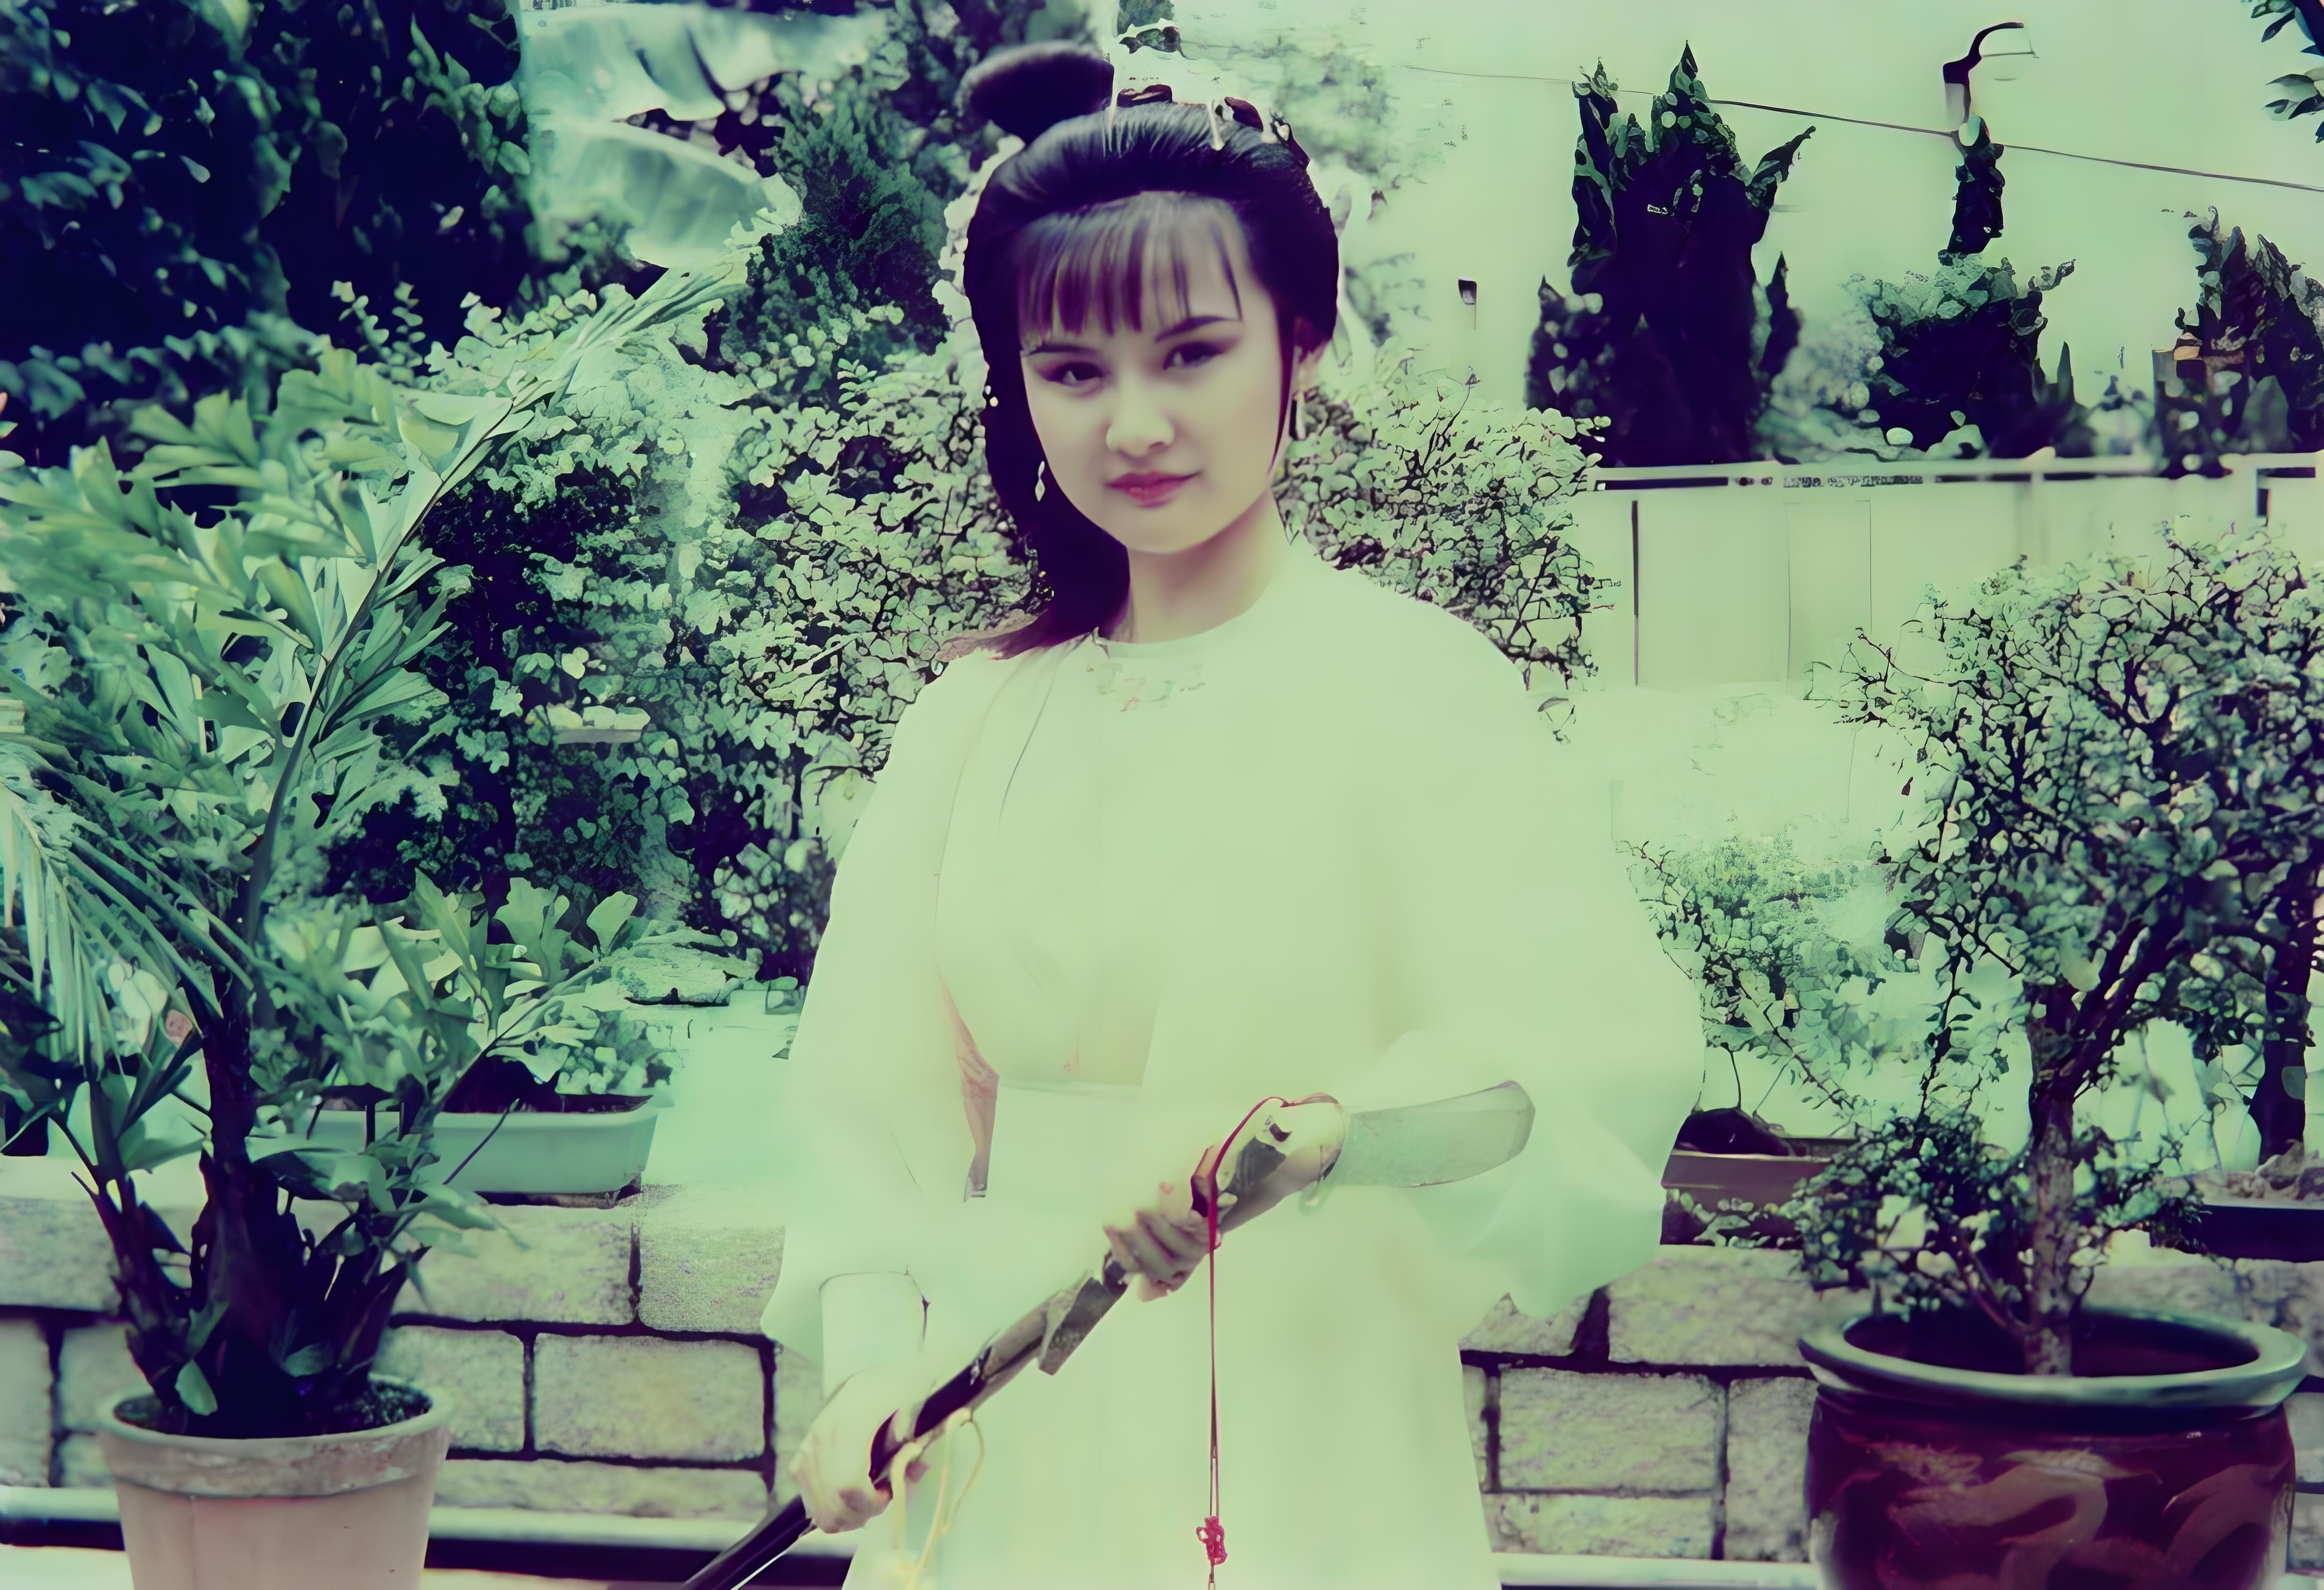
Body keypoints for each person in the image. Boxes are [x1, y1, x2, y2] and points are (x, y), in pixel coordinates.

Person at [761, 38, 1706, 1590]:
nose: (1133, 423)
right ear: (1017, 386)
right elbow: (871, 1114)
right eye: (1074, 371)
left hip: (1312, 1422)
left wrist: (1329, 1134)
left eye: (1191, 352)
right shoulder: (974, 721)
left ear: (1301, 344)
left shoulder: (1416, 690)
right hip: (1011, 1426)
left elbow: (1569, 1079)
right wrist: (871, 1363)